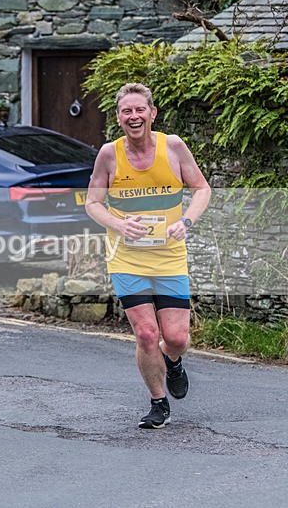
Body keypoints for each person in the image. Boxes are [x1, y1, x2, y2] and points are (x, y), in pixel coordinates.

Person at [85, 83, 210, 429]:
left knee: (176, 338)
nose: (134, 116)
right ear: (119, 118)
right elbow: (93, 203)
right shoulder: (109, 155)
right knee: (145, 334)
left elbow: (202, 188)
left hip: (169, 257)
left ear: (152, 113)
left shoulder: (173, 147)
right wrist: (119, 224)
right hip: (127, 259)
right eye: (127, 111)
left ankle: (173, 363)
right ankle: (159, 403)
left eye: (140, 110)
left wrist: (186, 220)